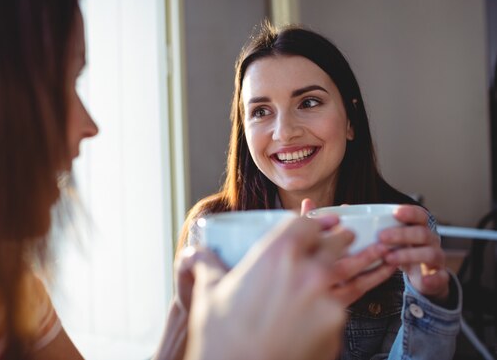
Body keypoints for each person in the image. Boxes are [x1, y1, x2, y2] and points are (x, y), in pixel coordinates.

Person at [0, 0, 350, 359]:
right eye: (60, 85)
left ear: (351, 119)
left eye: (309, 102)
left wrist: (178, 337)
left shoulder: (8, 291)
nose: (90, 125)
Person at [177, 23, 463, 360]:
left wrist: (431, 302)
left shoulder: (402, 227)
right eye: (261, 111)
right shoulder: (213, 227)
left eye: (309, 102)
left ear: (351, 120)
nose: (284, 133)